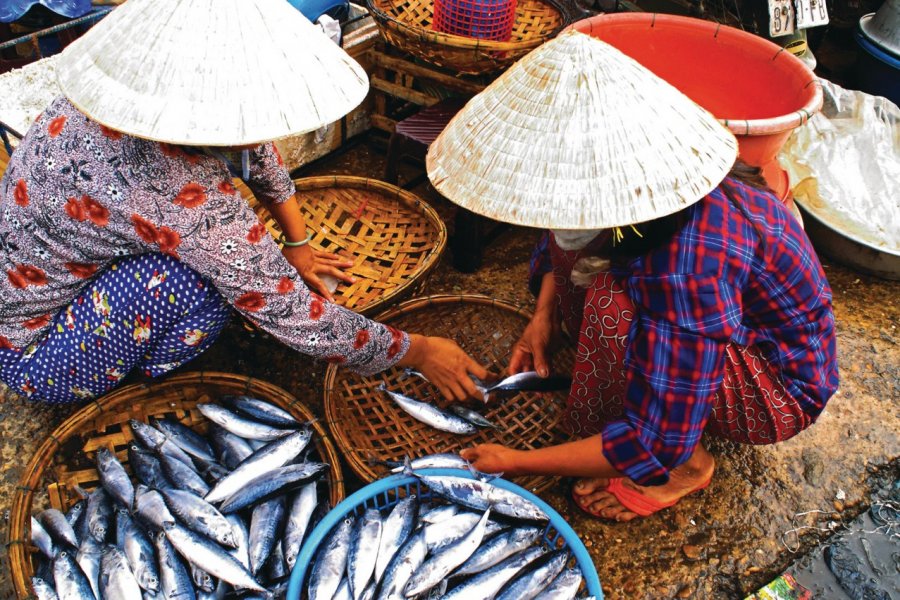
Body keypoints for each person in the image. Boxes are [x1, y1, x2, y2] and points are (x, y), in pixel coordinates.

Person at [426, 31, 839, 520]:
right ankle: (611, 385)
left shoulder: (689, 265)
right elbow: (560, 241)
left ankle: (690, 468)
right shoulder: (651, 183)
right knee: (578, 261)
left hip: (774, 388)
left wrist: (515, 463)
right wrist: (543, 317)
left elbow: (657, 439)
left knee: (611, 305)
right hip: (711, 326)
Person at [0, 0, 487, 404]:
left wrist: (296, 242)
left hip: (48, 281)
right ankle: (131, 384)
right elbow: (291, 313)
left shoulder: (122, 94)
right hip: (35, 354)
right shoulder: (181, 199)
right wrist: (417, 351)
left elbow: (254, 148)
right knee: (203, 290)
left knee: (217, 266)